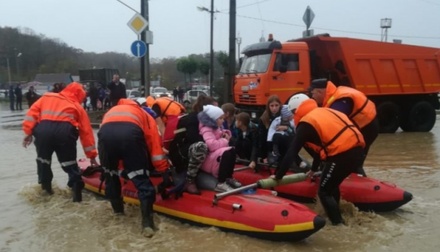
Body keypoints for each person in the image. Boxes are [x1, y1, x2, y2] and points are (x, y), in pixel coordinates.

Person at [275, 99, 365, 225]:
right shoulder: (324, 111)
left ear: (296, 111)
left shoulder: (306, 122)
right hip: (358, 151)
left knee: (324, 191)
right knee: (332, 185)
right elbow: (320, 149)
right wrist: (314, 169)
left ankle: (338, 225)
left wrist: (279, 176)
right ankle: (338, 213)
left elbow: (292, 152)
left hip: (342, 155)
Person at [98, 98, 169, 237]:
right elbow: (153, 143)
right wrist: (163, 169)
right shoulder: (144, 114)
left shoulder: (111, 111)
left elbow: (105, 138)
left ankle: (118, 213)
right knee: (141, 179)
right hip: (130, 135)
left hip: (105, 136)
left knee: (111, 176)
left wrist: (106, 166)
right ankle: (147, 224)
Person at [22, 82, 98, 201]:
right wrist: (92, 156)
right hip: (65, 133)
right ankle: (77, 197)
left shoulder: (46, 97)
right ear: (79, 95)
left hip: (43, 132)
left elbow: (31, 115)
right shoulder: (77, 107)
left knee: (43, 162)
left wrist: (28, 133)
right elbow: (86, 133)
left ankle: (46, 193)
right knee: (70, 165)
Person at [308, 78, 378, 176]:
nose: (313, 97)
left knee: (354, 161)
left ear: (319, 92)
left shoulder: (339, 101)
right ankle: (352, 177)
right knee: (353, 160)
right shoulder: (336, 94)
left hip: (366, 128)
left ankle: (358, 181)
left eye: (313, 94)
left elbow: (336, 125)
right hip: (365, 125)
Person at [169, 95, 216, 195]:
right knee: (201, 146)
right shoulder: (191, 120)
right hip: (183, 155)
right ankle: (190, 180)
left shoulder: (213, 121)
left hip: (197, 155)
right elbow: (193, 138)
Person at [198, 104, 242, 192]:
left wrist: (225, 133)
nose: (223, 120)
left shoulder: (217, 128)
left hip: (216, 154)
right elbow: (211, 145)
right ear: (214, 119)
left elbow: (218, 136)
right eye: (221, 118)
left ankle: (228, 177)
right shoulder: (207, 129)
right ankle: (221, 182)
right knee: (226, 152)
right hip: (209, 158)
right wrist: (225, 140)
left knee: (232, 151)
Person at [256, 95, 282, 161]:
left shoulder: (284, 116)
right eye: (272, 106)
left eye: (276, 105)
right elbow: (261, 138)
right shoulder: (264, 118)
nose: (274, 108)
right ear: (268, 106)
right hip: (269, 146)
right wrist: (263, 156)